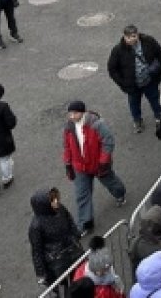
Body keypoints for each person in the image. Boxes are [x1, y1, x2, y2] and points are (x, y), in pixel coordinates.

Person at [61, 101, 126, 236]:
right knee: (81, 195)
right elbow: (67, 146)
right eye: (70, 113)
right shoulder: (69, 127)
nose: (72, 116)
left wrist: (103, 162)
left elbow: (108, 142)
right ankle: (85, 223)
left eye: (75, 113)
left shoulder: (97, 124)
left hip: (98, 165)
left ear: (83, 112)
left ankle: (120, 194)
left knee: (110, 182)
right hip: (80, 166)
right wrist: (68, 164)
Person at [107, 24, 161, 134]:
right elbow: (112, 69)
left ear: (137, 35)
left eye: (133, 36)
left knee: (155, 99)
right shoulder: (118, 50)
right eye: (128, 37)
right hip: (132, 84)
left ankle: (159, 117)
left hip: (150, 80)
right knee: (134, 103)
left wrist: (159, 68)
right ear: (124, 36)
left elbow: (159, 53)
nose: (131, 39)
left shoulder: (148, 41)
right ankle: (137, 120)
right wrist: (123, 83)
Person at [28, 187, 83, 288]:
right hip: (58, 262)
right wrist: (41, 273)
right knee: (67, 286)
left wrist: (75, 234)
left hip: (73, 250)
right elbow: (37, 251)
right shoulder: (36, 226)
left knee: (82, 276)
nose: (56, 201)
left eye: (55, 198)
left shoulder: (60, 209)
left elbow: (69, 219)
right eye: (52, 200)